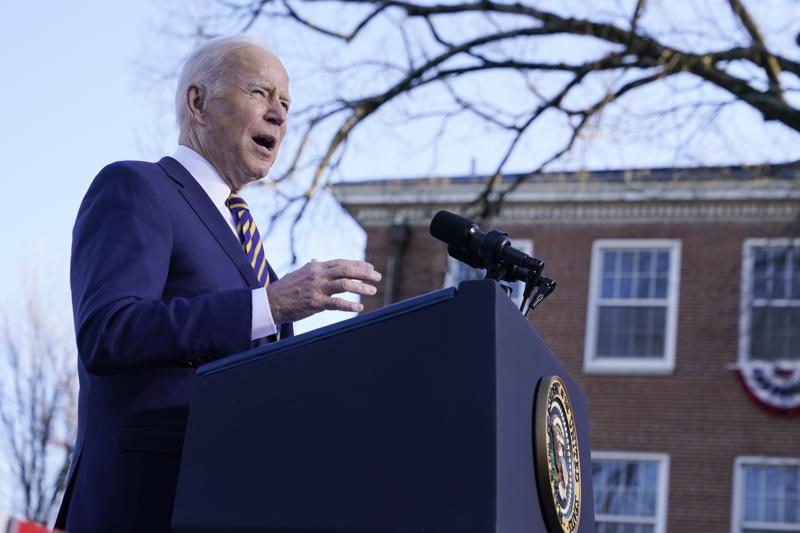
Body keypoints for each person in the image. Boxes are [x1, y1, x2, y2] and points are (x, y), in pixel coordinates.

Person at [55, 35, 381, 533]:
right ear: (198, 102)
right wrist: (270, 302)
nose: (279, 115)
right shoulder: (138, 187)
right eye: (260, 93)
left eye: (286, 104)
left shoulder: (249, 244)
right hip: (143, 501)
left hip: (228, 501)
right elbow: (109, 330)